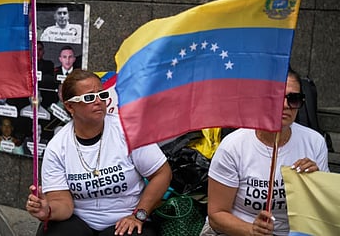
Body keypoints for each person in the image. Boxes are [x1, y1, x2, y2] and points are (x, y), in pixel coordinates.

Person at [26, 69, 172, 236]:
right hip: (80, 221)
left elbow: (162, 174)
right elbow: (63, 203)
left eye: (102, 95)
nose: (98, 101)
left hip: (126, 218)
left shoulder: (127, 131)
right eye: (89, 98)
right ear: (69, 106)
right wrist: (48, 210)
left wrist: (139, 215)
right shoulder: (57, 147)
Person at [202, 67, 330, 236]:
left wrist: (315, 181)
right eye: (277, 97)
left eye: (294, 99)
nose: (285, 105)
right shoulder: (233, 146)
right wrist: (251, 230)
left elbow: (323, 209)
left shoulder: (315, 142)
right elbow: (216, 215)